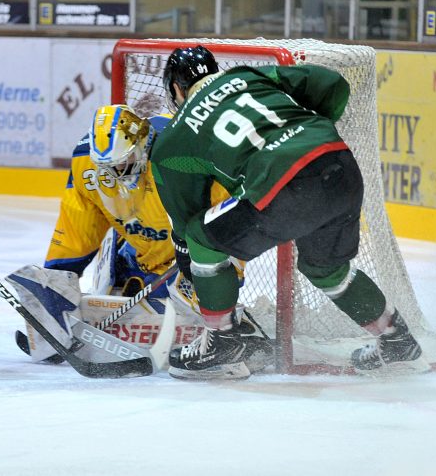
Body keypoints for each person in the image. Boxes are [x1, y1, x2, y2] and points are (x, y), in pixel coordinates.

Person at [150, 45, 427, 379]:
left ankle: (222, 340)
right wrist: (305, 134)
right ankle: (398, 342)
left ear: (177, 90)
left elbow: (186, 220)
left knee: (200, 236)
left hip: (283, 187)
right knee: (326, 269)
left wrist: (191, 263)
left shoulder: (175, 135)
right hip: (338, 164)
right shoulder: (248, 76)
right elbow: (331, 83)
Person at [15, 104, 268, 367]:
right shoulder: (86, 164)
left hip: (191, 254)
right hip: (139, 249)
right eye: (108, 167)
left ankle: (227, 331)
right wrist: (56, 283)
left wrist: (217, 283)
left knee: (194, 296)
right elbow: (76, 228)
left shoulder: (181, 151)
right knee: (110, 281)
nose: (117, 173)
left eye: (124, 163)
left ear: (143, 144)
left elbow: (227, 222)